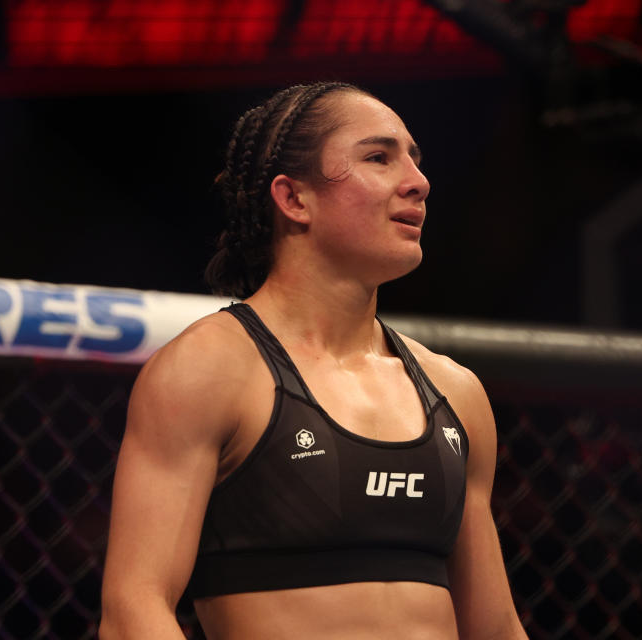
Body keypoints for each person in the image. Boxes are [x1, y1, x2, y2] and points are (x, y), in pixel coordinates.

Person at [99, 81, 529, 640]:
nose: (418, 182)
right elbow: (134, 608)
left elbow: (494, 628)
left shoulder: (456, 393)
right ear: (294, 198)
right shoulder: (212, 367)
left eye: (415, 162)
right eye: (378, 157)